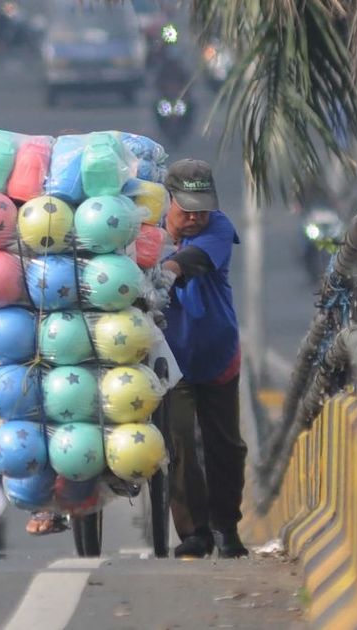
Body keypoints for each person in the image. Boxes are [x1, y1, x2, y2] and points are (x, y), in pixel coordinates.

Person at [158, 159, 249, 559]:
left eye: (202, 207)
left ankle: (226, 526)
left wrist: (165, 271)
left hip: (217, 351)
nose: (194, 216)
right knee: (178, 440)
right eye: (186, 207)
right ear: (168, 199)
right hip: (170, 359)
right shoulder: (145, 232)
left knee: (224, 444)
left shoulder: (219, 227)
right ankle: (194, 533)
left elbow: (191, 261)